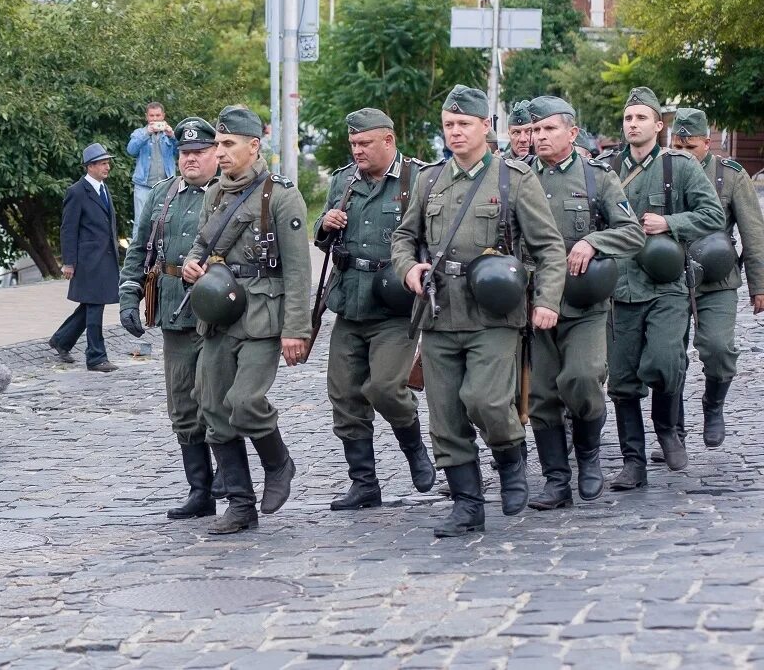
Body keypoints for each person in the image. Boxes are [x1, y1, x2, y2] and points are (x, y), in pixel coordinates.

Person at [390, 85, 566, 538]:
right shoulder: (429, 180)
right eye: (449, 125)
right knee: (445, 416)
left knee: (486, 400)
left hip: (494, 313)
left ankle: (510, 457)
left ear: (485, 127)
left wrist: (545, 301)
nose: (455, 132)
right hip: (440, 312)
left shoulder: (512, 179)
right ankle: (467, 504)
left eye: (464, 124)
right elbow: (403, 238)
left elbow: (549, 248)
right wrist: (409, 269)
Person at [182, 105, 311, 535]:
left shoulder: (280, 194)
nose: (219, 152)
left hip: (262, 316)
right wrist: (192, 264)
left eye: (228, 144)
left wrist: (296, 329)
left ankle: (279, 463)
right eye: (217, 144)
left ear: (253, 146)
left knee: (245, 401)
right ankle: (240, 506)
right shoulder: (215, 193)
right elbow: (202, 243)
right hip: (220, 315)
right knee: (213, 408)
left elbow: (297, 269)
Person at [523, 96, 645, 510]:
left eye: (548, 129)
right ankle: (556, 481)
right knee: (541, 396)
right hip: (535, 302)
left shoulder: (597, 178)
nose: (539, 137)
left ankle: (589, 456)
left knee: (583, 378)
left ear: (572, 133)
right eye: (535, 130)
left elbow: (632, 232)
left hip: (584, 304)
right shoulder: (518, 178)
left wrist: (594, 241)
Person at [312, 108, 435, 509]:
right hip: (350, 301)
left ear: (388, 141)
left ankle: (414, 446)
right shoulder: (343, 181)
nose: (358, 150)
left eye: (365, 143)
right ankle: (364, 483)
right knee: (344, 395)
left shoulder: (417, 180)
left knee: (385, 387)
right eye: (354, 144)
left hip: (395, 305)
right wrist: (325, 224)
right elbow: (324, 239)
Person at [603, 88, 723, 489]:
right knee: (621, 379)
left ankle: (668, 429)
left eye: (641, 118)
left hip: (667, 285)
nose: (633, 124)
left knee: (667, 359)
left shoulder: (680, 167)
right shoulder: (606, 171)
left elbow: (712, 214)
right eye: (628, 118)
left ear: (659, 125)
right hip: (620, 288)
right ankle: (633, 461)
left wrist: (669, 224)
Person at [118, 116, 222, 519]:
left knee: (218, 400)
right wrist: (128, 297)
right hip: (174, 310)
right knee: (182, 405)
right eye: (184, 153)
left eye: (198, 153)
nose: (190, 160)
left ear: (216, 153)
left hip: (219, 312)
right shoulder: (163, 195)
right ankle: (200, 491)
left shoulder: (228, 193)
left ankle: (234, 480)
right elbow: (139, 249)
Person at [668, 108, 764, 452]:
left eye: (690, 147)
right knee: (668, 357)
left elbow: (753, 233)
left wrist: (759, 285)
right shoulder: (664, 171)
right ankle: (672, 429)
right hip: (670, 278)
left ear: (707, 143)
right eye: (677, 147)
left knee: (719, 349)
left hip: (717, 279)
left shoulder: (731, 175)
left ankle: (713, 406)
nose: (683, 154)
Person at [49, 144, 121, 373]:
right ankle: (96, 357)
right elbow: (68, 229)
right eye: (102, 163)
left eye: (107, 162)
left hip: (104, 258)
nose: (107, 166)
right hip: (88, 261)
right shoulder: (77, 191)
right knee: (95, 307)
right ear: (90, 166)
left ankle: (61, 340)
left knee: (91, 304)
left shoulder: (103, 188)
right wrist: (68, 262)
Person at [126, 102, 177, 223]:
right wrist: (146, 134)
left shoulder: (169, 134)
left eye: (158, 115)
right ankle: (139, 243)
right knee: (140, 222)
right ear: (146, 117)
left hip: (167, 186)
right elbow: (131, 150)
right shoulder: (139, 133)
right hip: (143, 186)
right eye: (151, 115)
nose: (154, 119)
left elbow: (180, 152)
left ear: (163, 116)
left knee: (166, 221)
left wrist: (173, 136)